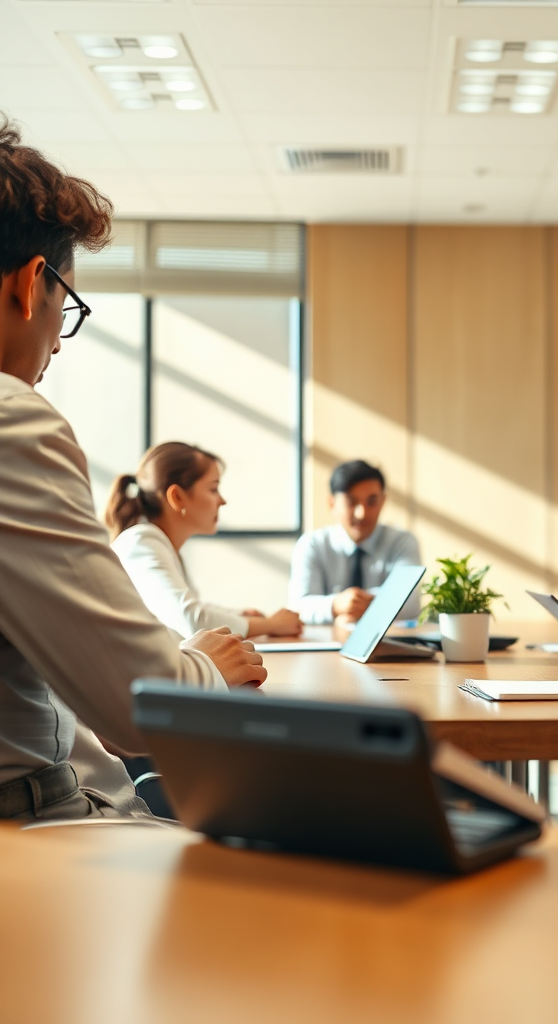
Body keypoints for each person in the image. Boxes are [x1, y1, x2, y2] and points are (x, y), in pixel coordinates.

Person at [0, 113, 265, 821]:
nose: (57, 345)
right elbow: (136, 707)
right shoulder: (12, 420)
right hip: (32, 827)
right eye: (69, 307)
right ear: (32, 284)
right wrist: (207, 664)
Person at [108, 443, 302, 641]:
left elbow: (193, 608)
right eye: (213, 489)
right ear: (177, 497)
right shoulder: (142, 543)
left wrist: (239, 614)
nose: (222, 501)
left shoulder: (159, 545)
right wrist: (270, 625)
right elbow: (191, 621)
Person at [289, 459, 422, 624]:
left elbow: (411, 604)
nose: (361, 513)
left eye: (371, 501)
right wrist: (336, 605)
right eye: (351, 502)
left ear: (383, 501)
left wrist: (357, 606)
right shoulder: (312, 544)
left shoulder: (402, 542)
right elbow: (298, 606)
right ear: (332, 504)